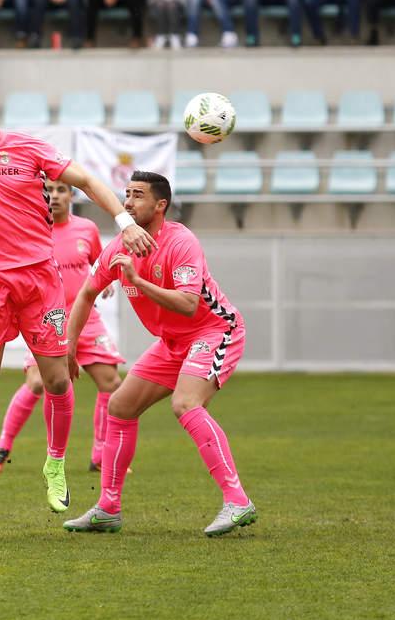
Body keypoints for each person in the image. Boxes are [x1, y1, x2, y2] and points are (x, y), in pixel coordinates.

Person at [0, 79, 156, 530]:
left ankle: (55, 464)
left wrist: (123, 222)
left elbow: (85, 179)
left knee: (59, 381)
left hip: (41, 283)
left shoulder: (29, 149)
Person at [63, 171, 256, 537]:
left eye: (137, 195)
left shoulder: (181, 242)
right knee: (120, 407)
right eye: (126, 194)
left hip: (214, 330)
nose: (128, 202)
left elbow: (187, 304)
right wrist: (69, 346)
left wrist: (137, 282)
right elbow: (87, 294)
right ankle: (108, 508)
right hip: (172, 342)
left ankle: (237, 500)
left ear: (160, 205)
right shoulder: (120, 246)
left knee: (185, 404)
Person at [0, 178, 125, 475]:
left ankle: (100, 455)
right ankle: (3, 444)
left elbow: (98, 263)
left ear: (71, 195)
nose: (55, 196)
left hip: (87, 319)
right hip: (47, 320)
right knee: (37, 383)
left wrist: (105, 282)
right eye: (48, 191)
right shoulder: (31, 231)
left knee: (111, 384)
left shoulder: (86, 229)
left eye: (62, 190)